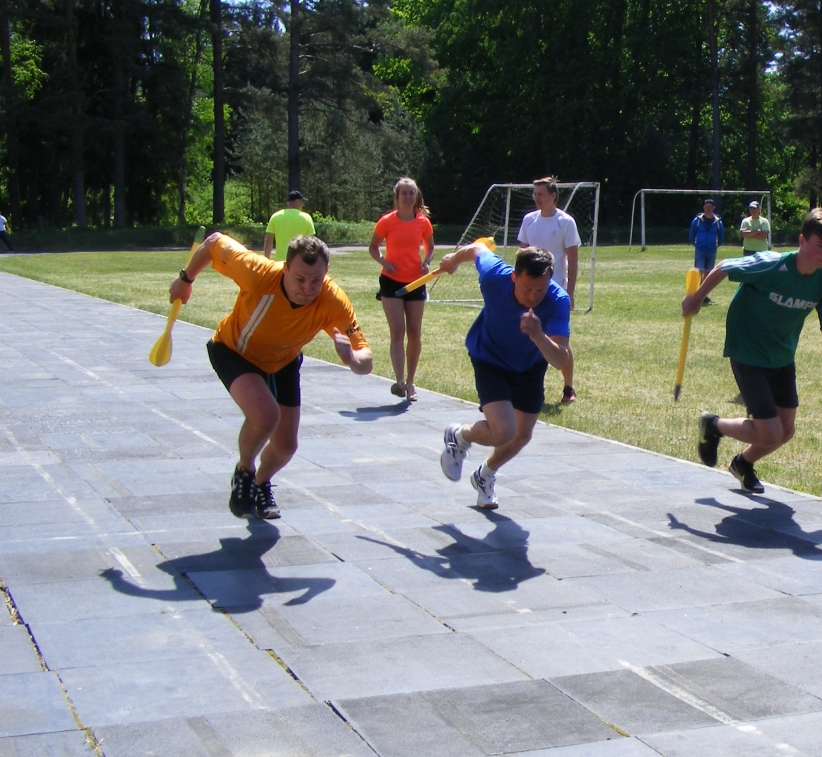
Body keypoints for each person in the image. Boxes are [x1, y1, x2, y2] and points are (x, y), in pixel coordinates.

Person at [169, 233, 372, 520]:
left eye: (316, 280)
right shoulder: (258, 273)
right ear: (286, 268)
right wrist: (185, 279)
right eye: (300, 278)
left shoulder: (332, 299)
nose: (308, 288)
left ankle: (260, 483)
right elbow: (214, 242)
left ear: (325, 274)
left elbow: (367, 361)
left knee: (286, 446)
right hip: (234, 350)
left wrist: (351, 359)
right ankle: (244, 470)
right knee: (265, 416)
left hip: (283, 360)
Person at [687, 208, 822, 494]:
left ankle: (742, 463)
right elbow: (723, 267)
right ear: (802, 240)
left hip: (782, 355)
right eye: (819, 246)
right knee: (769, 431)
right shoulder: (771, 264)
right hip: (748, 348)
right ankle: (714, 426)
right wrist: (696, 299)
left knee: (785, 431)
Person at [436, 245, 572, 510]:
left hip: (529, 365)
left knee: (521, 435)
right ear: (514, 277)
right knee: (503, 431)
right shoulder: (494, 276)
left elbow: (560, 359)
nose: (533, 297)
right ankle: (460, 435)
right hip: (490, 359)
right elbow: (477, 249)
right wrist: (453, 259)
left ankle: (484, 476)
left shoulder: (558, 300)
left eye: (540, 290)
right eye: (527, 289)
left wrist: (538, 336)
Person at [516, 177, 581, 403]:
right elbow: (521, 257)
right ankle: (533, 387)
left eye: (541, 194)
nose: (537, 198)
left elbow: (572, 260)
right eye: (535, 194)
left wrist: (570, 292)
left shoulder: (566, 223)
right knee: (530, 336)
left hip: (556, 292)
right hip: (531, 291)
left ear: (553, 196)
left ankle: (568, 388)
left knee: (559, 339)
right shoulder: (528, 221)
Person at [368, 177, 434, 402]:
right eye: (404, 193)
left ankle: (412, 382)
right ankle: (399, 381)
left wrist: (426, 262)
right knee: (398, 331)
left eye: (411, 193)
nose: (408, 197)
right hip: (391, 281)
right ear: (397, 197)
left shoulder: (423, 222)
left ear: (416, 197)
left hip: (415, 282)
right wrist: (384, 263)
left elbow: (430, 247)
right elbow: (373, 247)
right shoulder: (386, 222)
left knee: (414, 332)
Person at [263, 191, 316, 260]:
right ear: (297, 201)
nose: (303, 205)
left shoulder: (275, 216)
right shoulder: (306, 218)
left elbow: (268, 241)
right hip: (300, 262)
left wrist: (266, 260)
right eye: (302, 202)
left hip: (281, 263)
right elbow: (312, 242)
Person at [690, 199, 724, 290]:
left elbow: (721, 236)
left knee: (708, 273)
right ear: (704, 207)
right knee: (699, 272)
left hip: (712, 250)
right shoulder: (697, 220)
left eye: (710, 207)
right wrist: (697, 244)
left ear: (713, 208)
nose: (708, 209)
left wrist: (715, 245)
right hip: (700, 250)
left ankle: (704, 294)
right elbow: (691, 235)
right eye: (706, 206)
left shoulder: (718, 222)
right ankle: (696, 292)